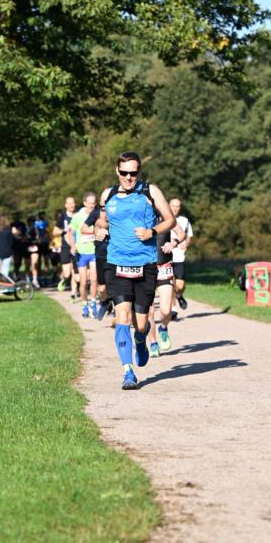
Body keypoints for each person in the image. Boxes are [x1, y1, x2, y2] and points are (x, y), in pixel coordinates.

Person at [98, 151, 175, 390]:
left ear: (139, 172)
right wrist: (100, 230)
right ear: (117, 171)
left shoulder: (150, 192)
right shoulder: (108, 194)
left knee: (140, 324)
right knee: (122, 316)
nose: (129, 177)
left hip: (145, 265)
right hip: (116, 263)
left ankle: (141, 340)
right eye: (124, 173)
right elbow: (102, 221)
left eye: (133, 173)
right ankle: (127, 372)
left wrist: (152, 232)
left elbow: (169, 220)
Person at [147, 226, 177, 357]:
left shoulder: (166, 217)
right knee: (150, 311)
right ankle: (153, 343)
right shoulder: (139, 215)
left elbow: (181, 233)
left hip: (164, 267)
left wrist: (173, 243)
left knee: (166, 310)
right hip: (146, 268)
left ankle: (163, 327)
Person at [68, 192, 98, 317]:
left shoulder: (98, 215)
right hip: (82, 253)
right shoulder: (77, 216)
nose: (92, 206)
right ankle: (84, 304)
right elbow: (70, 232)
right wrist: (73, 246)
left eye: (94, 203)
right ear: (85, 203)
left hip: (94, 252)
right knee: (83, 282)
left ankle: (93, 303)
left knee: (94, 280)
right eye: (90, 204)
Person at [169, 197, 193, 310]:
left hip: (179, 256)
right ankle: (173, 309)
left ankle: (179, 295)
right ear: (168, 206)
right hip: (166, 256)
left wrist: (186, 244)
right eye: (173, 205)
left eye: (177, 206)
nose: (175, 208)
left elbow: (189, 237)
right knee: (170, 284)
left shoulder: (184, 220)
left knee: (180, 285)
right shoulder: (163, 219)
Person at [54, 197, 78, 297]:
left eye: (73, 203)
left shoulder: (78, 216)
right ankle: (63, 279)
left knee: (75, 273)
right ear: (66, 205)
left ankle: (73, 294)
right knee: (67, 273)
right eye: (69, 203)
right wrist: (64, 230)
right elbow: (55, 232)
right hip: (65, 247)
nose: (71, 205)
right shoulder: (62, 217)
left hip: (76, 247)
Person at [26, 215, 41, 289]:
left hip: (34, 247)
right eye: (31, 221)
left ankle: (35, 280)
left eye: (33, 221)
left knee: (34, 264)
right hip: (26, 248)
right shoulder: (26, 229)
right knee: (27, 265)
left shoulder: (36, 229)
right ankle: (27, 280)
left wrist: (36, 240)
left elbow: (38, 238)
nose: (32, 223)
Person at [10, 213, 27, 278]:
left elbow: (24, 234)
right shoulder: (11, 225)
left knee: (20, 261)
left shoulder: (22, 224)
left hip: (22, 244)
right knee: (16, 260)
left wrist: (23, 238)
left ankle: (18, 272)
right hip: (14, 245)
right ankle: (15, 272)